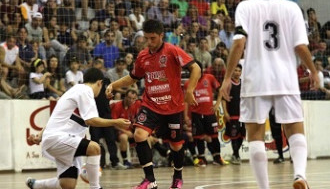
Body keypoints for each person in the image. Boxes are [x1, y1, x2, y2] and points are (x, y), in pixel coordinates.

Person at [219, 0, 319, 189]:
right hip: (286, 78)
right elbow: (300, 46)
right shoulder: (291, 8)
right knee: (294, 127)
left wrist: (227, 77)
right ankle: (300, 175)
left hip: (255, 78)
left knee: (255, 134)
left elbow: (239, 43)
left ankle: (264, 187)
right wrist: (314, 72)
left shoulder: (245, 7)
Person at [106, 19, 201, 189]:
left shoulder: (172, 51)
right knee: (139, 135)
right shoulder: (143, 56)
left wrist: (189, 91)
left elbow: (196, 69)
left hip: (173, 106)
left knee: (176, 145)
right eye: (147, 38)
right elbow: (133, 77)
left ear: (161, 36)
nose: (149, 42)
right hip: (150, 104)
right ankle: (150, 180)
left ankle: (177, 177)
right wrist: (113, 85)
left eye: (153, 38)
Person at [26, 67, 130, 189]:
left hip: (58, 139)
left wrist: (40, 135)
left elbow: (56, 117)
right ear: (99, 83)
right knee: (95, 148)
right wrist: (115, 122)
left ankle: (36, 185)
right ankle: (96, 187)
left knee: (67, 184)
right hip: (59, 139)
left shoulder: (75, 91)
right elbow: (90, 120)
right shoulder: (85, 91)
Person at [183, 60, 227, 167]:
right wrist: (185, 115)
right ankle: (201, 158)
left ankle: (217, 158)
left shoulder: (209, 78)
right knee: (199, 137)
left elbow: (220, 90)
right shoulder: (188, 83)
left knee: (214, 136)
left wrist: (217, 104)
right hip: (196, 114)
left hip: (209, 114)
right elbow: (186, 101)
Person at [222, 64, 245, 165]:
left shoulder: (243, 84)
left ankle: (235, 154)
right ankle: (236, 155)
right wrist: (225, 112)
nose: (237, 72)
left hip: (243, 114)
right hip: (232, 113)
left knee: (242, 136)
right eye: (235, 70)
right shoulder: (228, 84)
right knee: (234, 136)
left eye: (239, 71)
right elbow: (223, 99)